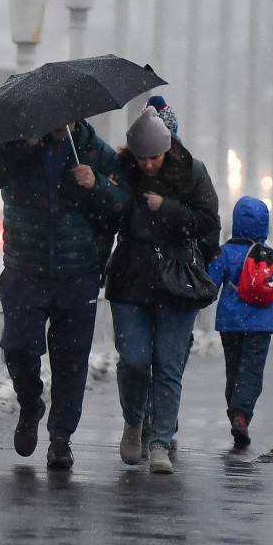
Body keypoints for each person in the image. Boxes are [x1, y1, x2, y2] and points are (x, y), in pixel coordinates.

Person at [0, 120, 129, 471]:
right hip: (24, 268)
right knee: (18, 346)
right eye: (53, 120)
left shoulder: (92, 148)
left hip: (79, 272)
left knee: (71, 361)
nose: (61, 125)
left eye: (67, 119)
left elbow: (122, 204)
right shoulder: (17, 141)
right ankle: (30, 404)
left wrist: (97, 184)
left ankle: (61, 439)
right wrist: (20, 146)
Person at [105, 106, 220, 474]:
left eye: (154, 157)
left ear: (167, 149)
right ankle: (133, 420)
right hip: (130, 277)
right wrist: (99, 191)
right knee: (135, 360)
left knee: (168, 365)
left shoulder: (192, 173)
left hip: (177, 280)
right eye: (142, 158)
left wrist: (167, 208)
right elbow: (105, 217)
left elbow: (208, 223)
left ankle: (160, 443)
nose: (149, 165)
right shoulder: (121, 172)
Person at [206, 196, 273, 448]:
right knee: (251, 371)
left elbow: (210, 284)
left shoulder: (225, 252)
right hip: (260, 323)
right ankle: (242, 415)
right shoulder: (269, 255)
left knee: (234, 369)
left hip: (231, 322)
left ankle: (236, 414)